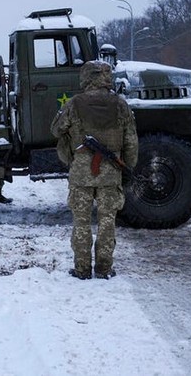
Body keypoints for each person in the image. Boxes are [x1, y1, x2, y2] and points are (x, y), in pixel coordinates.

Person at [50, 60, 138, 280]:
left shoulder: (73, 103)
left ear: (86, 77)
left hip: (81, 172)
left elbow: (56, 130)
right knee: (107, 221)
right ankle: (104, 268)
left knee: (81, 222)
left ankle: (82, 269)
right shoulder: (120, 105)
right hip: (111, 173)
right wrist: (128, 167)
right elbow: (131, 141)